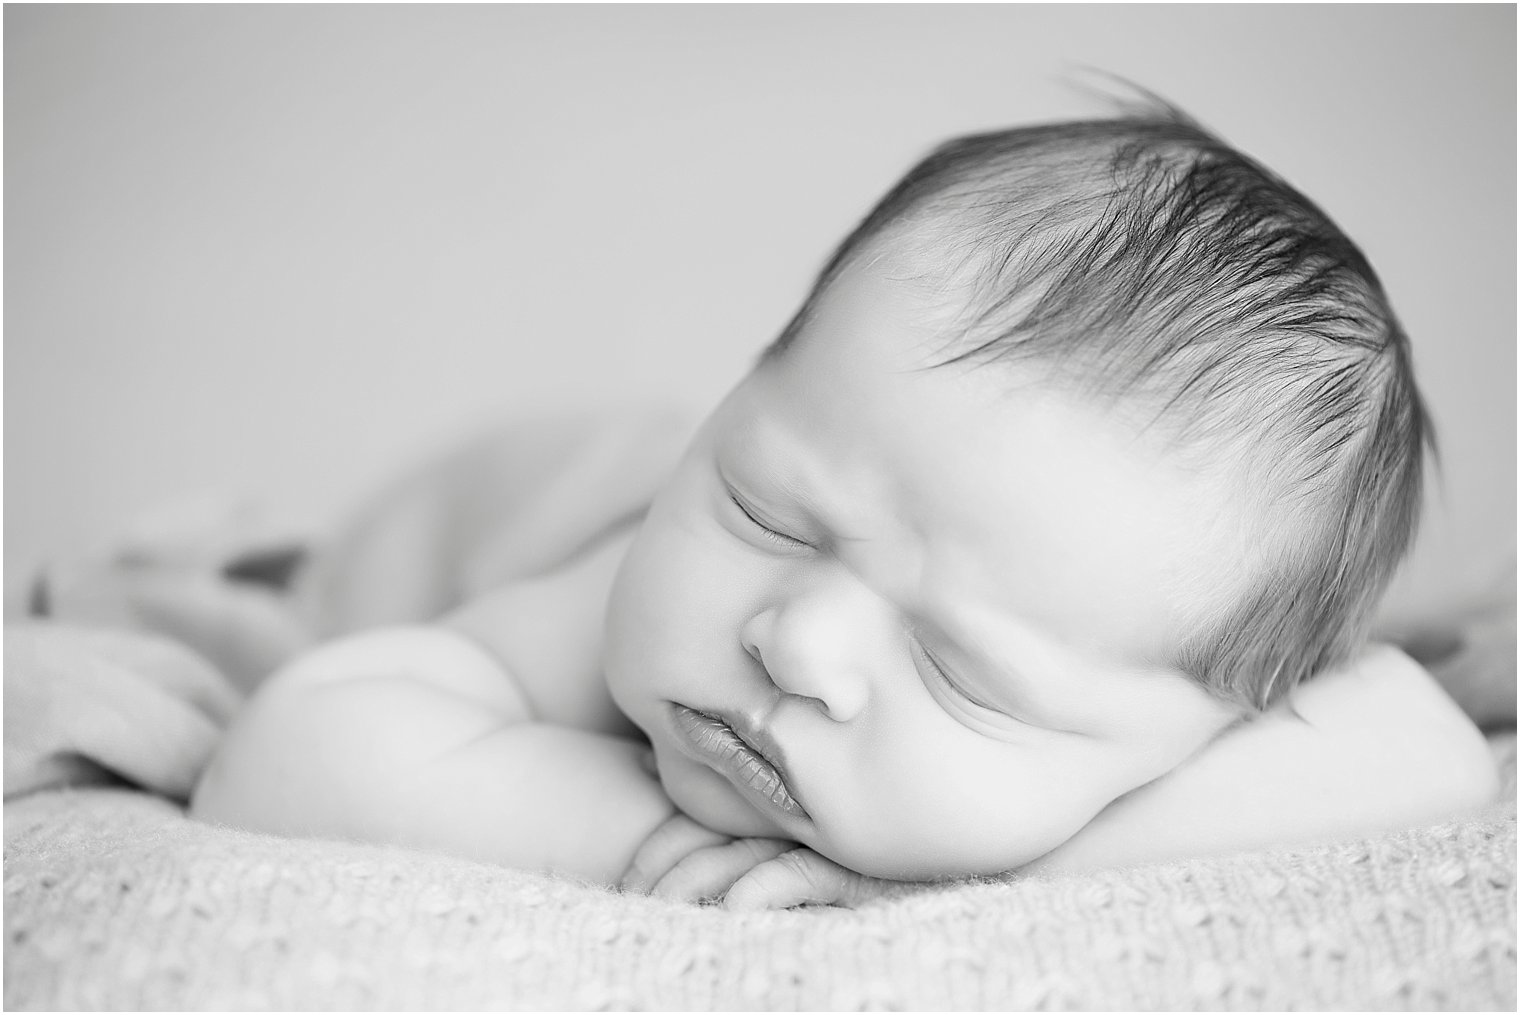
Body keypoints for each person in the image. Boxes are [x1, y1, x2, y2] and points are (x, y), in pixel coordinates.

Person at [183, 108, 1499, 910]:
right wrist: (648, 841)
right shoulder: (629, 583)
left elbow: (1428, 750)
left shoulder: (1175, 700)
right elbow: (291, 748)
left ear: (1197, 740)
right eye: (767, 510)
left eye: (959, 668)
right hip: (493, 510)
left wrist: (980, 874)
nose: (794, 641)